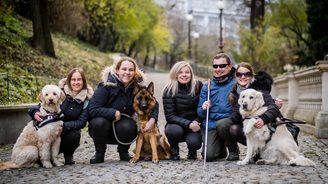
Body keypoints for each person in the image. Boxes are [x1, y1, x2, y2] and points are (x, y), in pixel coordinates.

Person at [88, 57, 159, 164]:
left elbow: (154, 103)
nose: (127, 72)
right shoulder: (106, 86)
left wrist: (152, 119)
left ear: (134, 72)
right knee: (98, 122)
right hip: (104, 125)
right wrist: (113, 113)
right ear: (117, 70)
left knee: (129, 126)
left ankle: (123, 152)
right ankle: (99, 154)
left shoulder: (138, 87)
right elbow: (92, 109)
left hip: (122, 126)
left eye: (130, 70)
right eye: (124, 69)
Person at [216, 62, 281, 161]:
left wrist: (263, 119)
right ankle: (246, 151)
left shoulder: (260, 88)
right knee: (229, 127)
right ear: (236, 76)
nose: (242, 77)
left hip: (265, 127)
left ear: (251, 75)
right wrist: (242, 106)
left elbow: (273, 108)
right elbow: (234, 117)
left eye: (246, 74)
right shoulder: (235, 92)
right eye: (239, 74)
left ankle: (264, 150)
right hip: (247, 124)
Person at [28, 68, 94, 165]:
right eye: (73, 80)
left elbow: (82, 122)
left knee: (74, 136)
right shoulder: (58, 92)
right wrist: (33, 111)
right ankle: (45, 156)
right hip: (50, 129)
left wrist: (63, 127)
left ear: (83, 81)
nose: (76, 82)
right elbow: (41, 105)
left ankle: (68, 155)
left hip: (68, 130)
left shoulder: (87, 99)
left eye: (79, 79)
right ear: (69, 81)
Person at [197, 53, 237, 162]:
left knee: (222, 125)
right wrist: (203, 108)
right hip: (211, 124)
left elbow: (257, 92)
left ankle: (234, 150)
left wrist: (273, 101)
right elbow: (200, 113)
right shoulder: (207, 86)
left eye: (222, 66)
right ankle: (221, 148)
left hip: (228, 122)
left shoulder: (236, 83)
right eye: (215, 66)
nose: (218, 69)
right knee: (208, 156)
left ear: (230, 66)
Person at [163, 61, 203, 160]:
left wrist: (197, 120)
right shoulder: (169, 90)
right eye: (180, 72)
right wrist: (189, 124)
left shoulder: (198, 85)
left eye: (187, 72)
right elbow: (170, 116)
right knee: (173, 131)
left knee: (195, 143)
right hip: (176, 124)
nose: (184, 75)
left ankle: (192, 150)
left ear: (191, 74)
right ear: (175, 74)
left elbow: (202, 107)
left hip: (194, 123)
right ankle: (174, 149)